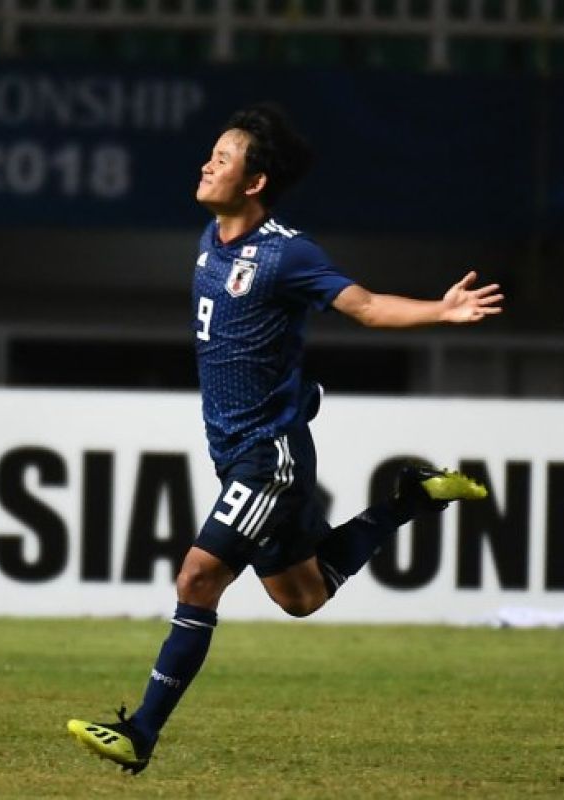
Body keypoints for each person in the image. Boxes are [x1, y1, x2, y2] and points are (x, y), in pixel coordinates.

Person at [65, 103, 504, 774]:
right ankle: (407, 501)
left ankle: (141, 733)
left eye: (223, 157)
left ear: (255, 181)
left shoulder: (286, 253)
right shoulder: (212, 241)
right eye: (210, 153)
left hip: (266, 459)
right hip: (246, 449)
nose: (207, 163)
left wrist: (440, 310)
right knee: (301, 596)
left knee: (197, 577)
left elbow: (364, 307)